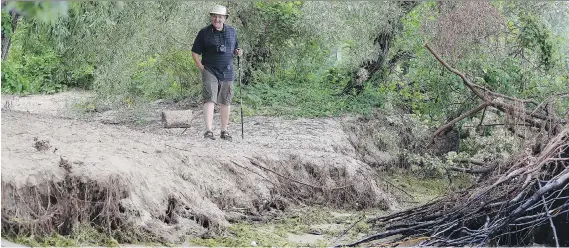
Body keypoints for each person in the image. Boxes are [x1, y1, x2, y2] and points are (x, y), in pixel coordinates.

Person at [191, 4, 243, 141]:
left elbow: (236, 48)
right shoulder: (204, 32)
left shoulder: (232, 31)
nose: (217, 19)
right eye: (214, 16)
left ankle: (224, 131)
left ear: (225, 18)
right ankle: (208, 131)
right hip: (210, 70)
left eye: (220, 17)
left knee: (225, 101)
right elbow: (195, 52)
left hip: (227, 71)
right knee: (209, 99)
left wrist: (238, 52)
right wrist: (202, 68)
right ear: (211, 17)